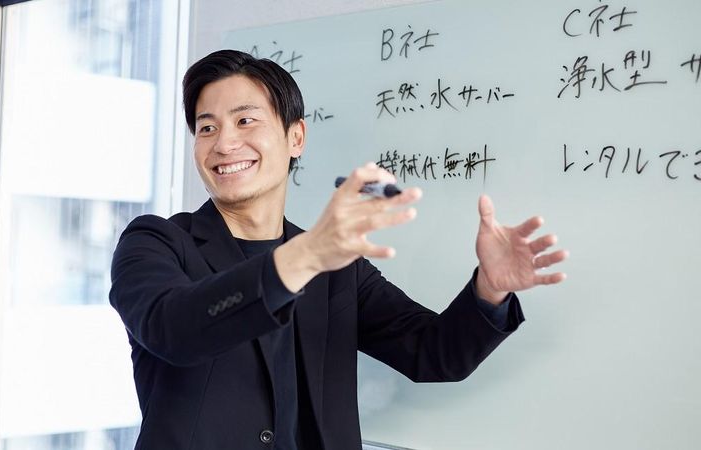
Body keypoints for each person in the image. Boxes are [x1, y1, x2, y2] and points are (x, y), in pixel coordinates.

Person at [109, 49, 568, 450]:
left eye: (245, 121)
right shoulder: (156, 242)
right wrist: (307, 255)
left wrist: (490, 289)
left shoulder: (337, 267)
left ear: (295, 137)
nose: (224, 143)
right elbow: (174, 330)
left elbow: (434, 353)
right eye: (207, 128)